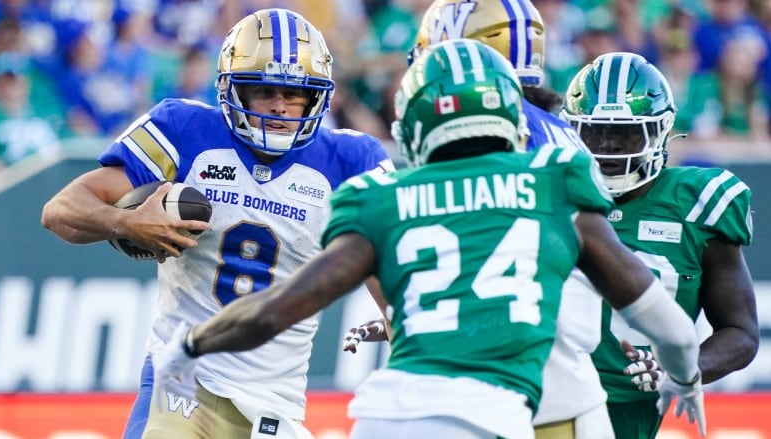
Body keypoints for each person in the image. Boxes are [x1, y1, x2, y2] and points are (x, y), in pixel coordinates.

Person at [151, 38, 706, 439]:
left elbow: (276, 310)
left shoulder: (381, 200)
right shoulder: (555, 183)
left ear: (410, 127)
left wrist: (189, 345)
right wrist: (685, 375)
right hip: (494, 415)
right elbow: (665, 321)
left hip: (387, 418)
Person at [40, 8, 393, 439]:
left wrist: (402, 321)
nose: (280, 106)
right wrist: (125, 223)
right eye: (264, 91)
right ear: (233, 89)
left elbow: (391, 279)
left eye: (294, 93)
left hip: (276, 402)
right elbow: (60, 209)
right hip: (183, 382)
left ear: (317, 97)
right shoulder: (185, 130)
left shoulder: (350, 161)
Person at [344, 1, 616, 437]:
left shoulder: (485, 129)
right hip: (570, 377)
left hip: (504, 375)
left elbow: (478, 247)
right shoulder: (560, 133)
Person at [560, 51, 759, 439]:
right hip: (543, 394)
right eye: (595, 131)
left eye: (624, 134)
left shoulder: (697, 203)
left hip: (629, 415)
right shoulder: (548, 189)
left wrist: (678, 370)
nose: (608, 147)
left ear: (660, 130)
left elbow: (740, 332)